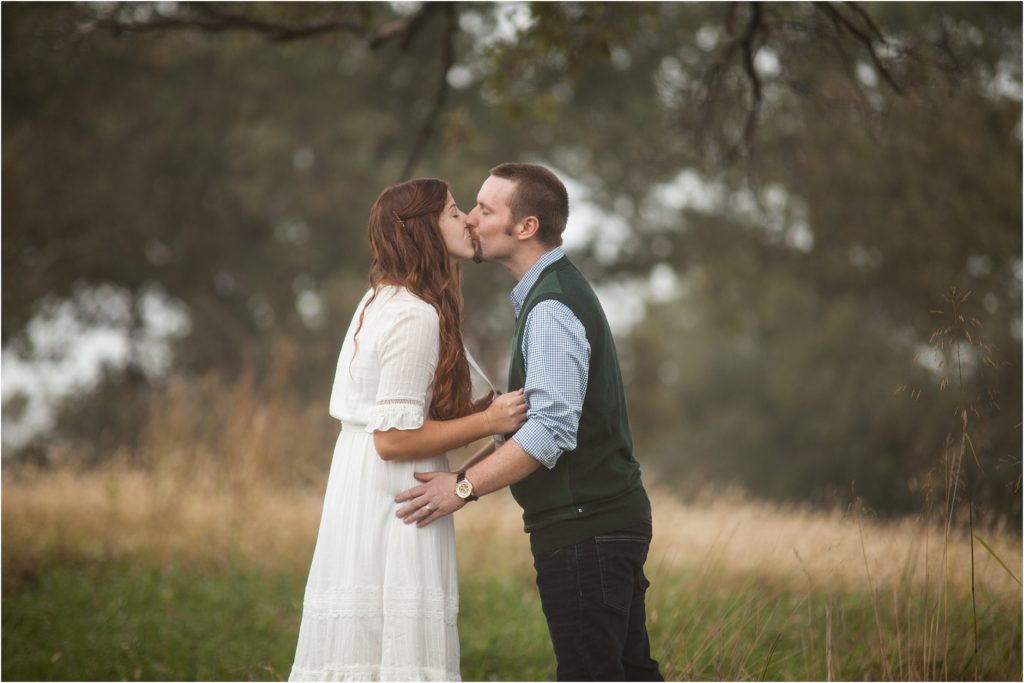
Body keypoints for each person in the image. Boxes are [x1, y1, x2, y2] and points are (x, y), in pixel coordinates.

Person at [396, 163, 664, 681]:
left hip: (586, 526)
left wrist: (463, 487)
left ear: (526, 227)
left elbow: (548, 434)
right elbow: (531, 423)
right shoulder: (549, 295)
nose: (471, 219)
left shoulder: (550, 307)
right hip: (600, 521)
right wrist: (466, 469)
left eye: (486, 209)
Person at [289, 178, 527, 682]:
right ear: (423, 231)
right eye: (454, 211)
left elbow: (405, 420)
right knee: (392, 645)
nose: (466, 219)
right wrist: (488, 421)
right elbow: (392, 440)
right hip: (393, 497)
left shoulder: (381, 299)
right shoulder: (413, 316)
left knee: (371, 645)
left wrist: (475, 416)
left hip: (365, 486)